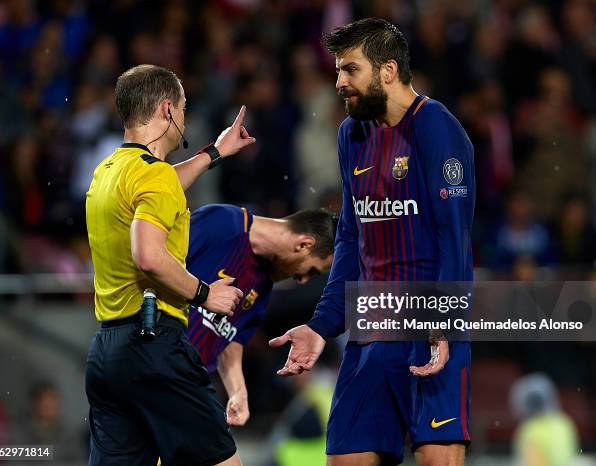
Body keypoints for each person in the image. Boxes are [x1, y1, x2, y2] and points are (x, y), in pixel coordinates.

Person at [270, 18, 475, 466]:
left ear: (387, 70)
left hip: (428, 327)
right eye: (338, 71)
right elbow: (349, 238)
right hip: (370, 333)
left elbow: (453, 238)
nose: (339, 82)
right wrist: (322, 325)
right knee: (345, 459)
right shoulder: (352, 135)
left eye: (350, 70)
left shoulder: (437, 127)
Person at [85, 64, 255, 466]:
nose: (184, 116)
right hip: (155, 344)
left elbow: (161, 187)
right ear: (167, 109)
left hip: (107, 354)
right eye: (183, 107)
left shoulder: (107, 171)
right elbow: (148, 255)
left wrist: (214, 152)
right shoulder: (154, 176)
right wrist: (205, 293)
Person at [185, 204, 336, 426]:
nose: (303, 280)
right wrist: (202, 293)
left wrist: (238, 391)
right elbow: (157, 263)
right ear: (304, 244)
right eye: (312, 270)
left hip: (189, 385)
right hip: (150, 362)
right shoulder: (224, 223)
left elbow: (231, 337)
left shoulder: (263, 285)